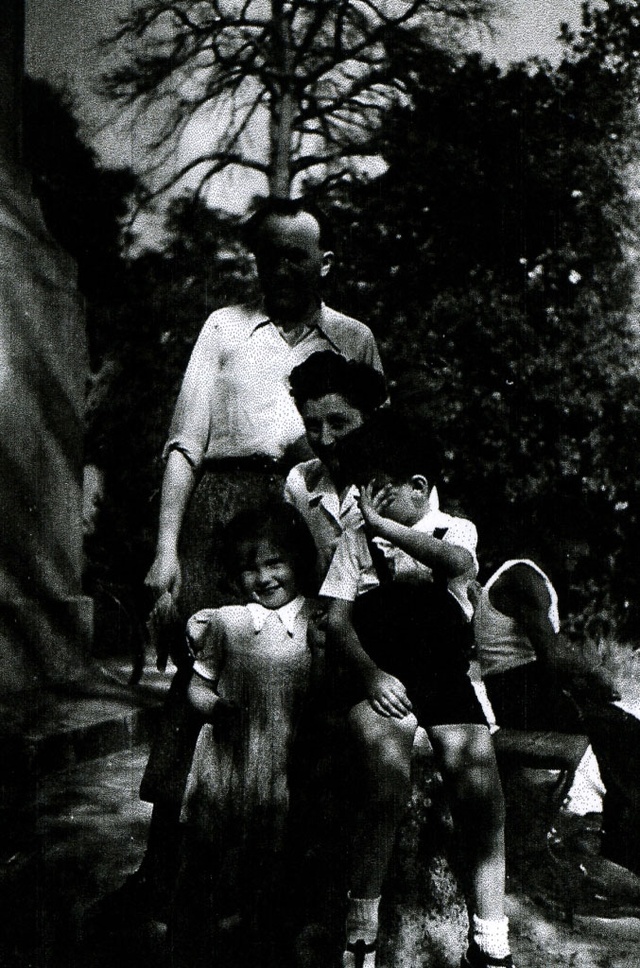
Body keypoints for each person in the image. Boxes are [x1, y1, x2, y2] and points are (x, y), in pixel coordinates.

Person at [134, 197, 383, 917]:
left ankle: (301, 873)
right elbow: (185, 442)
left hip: (313, 512)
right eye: (267, 254)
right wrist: (164, 553)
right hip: (223, 512)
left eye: (296, 254)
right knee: (199, 683)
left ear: (323, 263)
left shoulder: (352, 338)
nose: (280, 267)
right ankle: (165, 866)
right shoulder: (225, 329)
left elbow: (377, 449)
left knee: (311, 686)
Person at [321, 411, 514, 968]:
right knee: (385, 782)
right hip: (384, 679)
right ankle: (361, 931)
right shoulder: (355, 544)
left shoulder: (453, 530)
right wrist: (370, 675)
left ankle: (490, 936)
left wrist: (386, 530)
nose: (364, 503)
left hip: (444, 680)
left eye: (376, 491)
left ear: (418, 489)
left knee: (480, 790)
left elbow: (457, 565)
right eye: (359, 491)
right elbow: (336, 622)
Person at [169, 503, 321, 967]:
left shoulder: (318, 620)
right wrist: (217, 709)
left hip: (287, 761)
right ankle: (199, 942)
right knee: (211, 860)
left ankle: (262, 941)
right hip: (232, 758)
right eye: (249, 568)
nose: (265, 577)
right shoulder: (229, 622)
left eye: (275, 563)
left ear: (297, 561)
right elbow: (196, 688)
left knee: (277, 866)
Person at [285, 350, 388, 575]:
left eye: (338, 423)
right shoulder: (300, 481)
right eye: (313, 426)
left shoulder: (400, 479)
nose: (325, 439)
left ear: (367, 419)